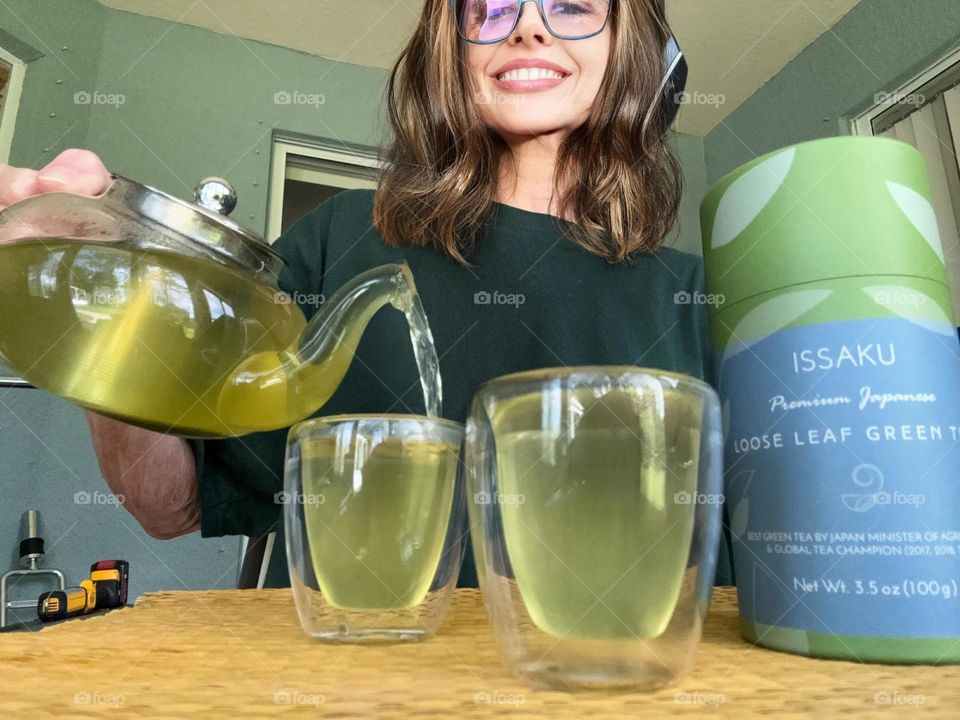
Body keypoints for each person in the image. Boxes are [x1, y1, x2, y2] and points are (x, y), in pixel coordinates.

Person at [0, 0, 734, 588]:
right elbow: (171, 505)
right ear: (451, 50)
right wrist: (104, 303)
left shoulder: (704, 297)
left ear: (637, 51)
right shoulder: (342, 237)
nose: (530, 27)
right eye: (491, 10)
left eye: (573, 5)